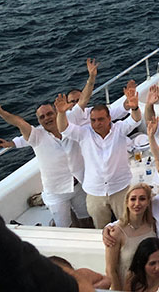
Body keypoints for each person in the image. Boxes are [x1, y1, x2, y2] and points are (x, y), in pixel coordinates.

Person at [0, 91, 91, 228]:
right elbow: (18, 122)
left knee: (87, 220)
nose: (47, 118)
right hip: (56, 193)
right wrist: (0, 111)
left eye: (49, 114)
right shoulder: (37, 136)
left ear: (56, 113)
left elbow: (83, 101)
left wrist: (92, 76)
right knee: (65, 229)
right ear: (39, 121)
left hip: (79, 185)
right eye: (42, 117)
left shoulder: (69, 125)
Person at [56, 80, 142, 228]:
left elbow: (135, 120)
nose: (97, 123)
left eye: (101, 119)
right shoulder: (84, 134)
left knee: (127, 226)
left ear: (109, 119)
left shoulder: (119, 130)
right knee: (102, 230)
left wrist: (134, 107)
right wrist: (61, 113)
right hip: (95, 192)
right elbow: (63, 128)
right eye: (93, 120)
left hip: (120, 188)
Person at [105, 183, 157, 291]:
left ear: (148, 202)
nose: (137, 203)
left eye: (142, 199)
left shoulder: (153, 226)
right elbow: (110, 269)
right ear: (127, 202)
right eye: (133, 199)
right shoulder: (116, 232)